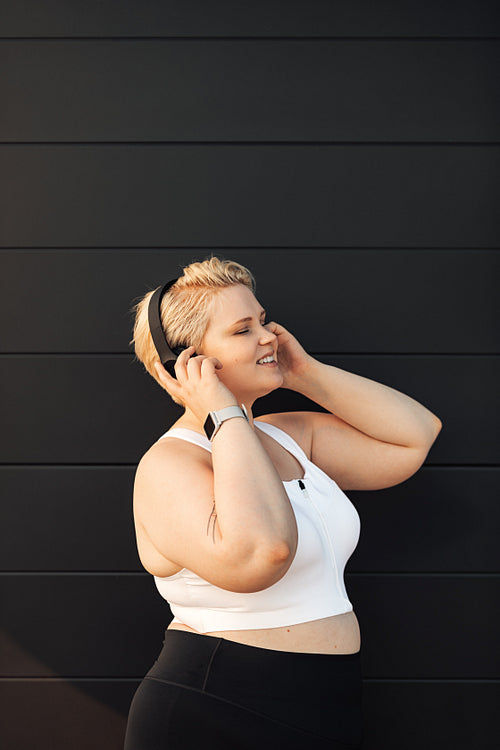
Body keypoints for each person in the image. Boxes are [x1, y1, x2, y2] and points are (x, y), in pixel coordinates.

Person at [124, 255, 442, 749]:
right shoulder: (169, 466)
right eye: (243, 330)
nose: (269, 336)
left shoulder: (286, 434)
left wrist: (304, 373)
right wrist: (221, 412)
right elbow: (261, 553)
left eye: (263, 321)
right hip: (217, 709)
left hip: (325, 704)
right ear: (186, 363)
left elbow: (415, 437)